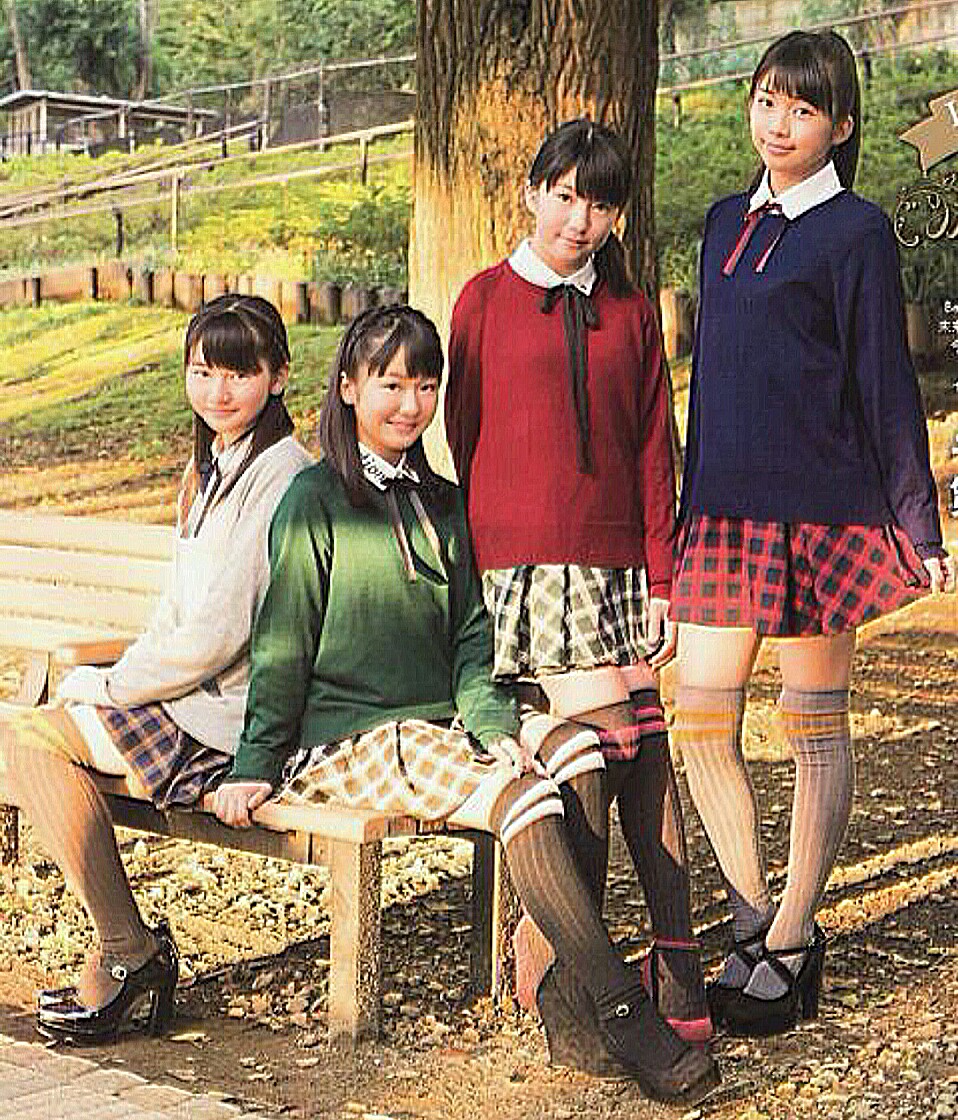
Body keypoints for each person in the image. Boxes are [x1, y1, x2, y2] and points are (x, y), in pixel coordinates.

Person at [212, 304, 719, 1104]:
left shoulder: (445, 503)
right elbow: (283, 645)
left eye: (425, 385)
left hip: (440, 720)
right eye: (389, 385)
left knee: (580, 750)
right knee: (524, 797)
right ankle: (621, 1008)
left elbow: (472, 642)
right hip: (352, 736)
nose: (409, 404)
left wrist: (490, 723)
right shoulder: (314, 499)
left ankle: (565, 997)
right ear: (347, 388)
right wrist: (253, 763)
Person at [671, 29, 957, 1038]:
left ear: (840, 126)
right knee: (700, 720)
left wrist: (919, 522)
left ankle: (793, 939)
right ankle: (755, 916)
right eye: (766, 101)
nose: (779, 123)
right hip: (722, 513)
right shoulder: (723, 222)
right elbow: (709, 386)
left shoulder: (859, 232)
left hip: (824, 512)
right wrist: (682, 513)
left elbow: (885, 382)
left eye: (802, 108)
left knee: (812, 725)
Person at [444, 118, 710, 1052]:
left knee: (647, 742)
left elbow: (653, 450)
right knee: (606, 738)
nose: (578, 219)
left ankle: (666, 954)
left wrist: (663, 577)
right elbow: (464, 435)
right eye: (563, 196)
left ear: (616, 215)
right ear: (532, 193)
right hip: (521, 566)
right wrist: (490, 559)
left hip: (618, 565)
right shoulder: (482, 299)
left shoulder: (628, 313)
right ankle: (573, 968)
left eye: (598, 204)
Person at [0, 295, 314, 1043]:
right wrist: (118, 674)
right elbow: (176, 609)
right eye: (203, 372)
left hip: (228, 718)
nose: (219, 392)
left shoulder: (283, 477)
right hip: (185, 697)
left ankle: (128, 951)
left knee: (29, 742)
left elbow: (219, 635)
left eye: (239, 373)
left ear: (278, 376)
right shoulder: (210, 467)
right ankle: (127, 948)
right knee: (28, 737)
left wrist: (113, 685)